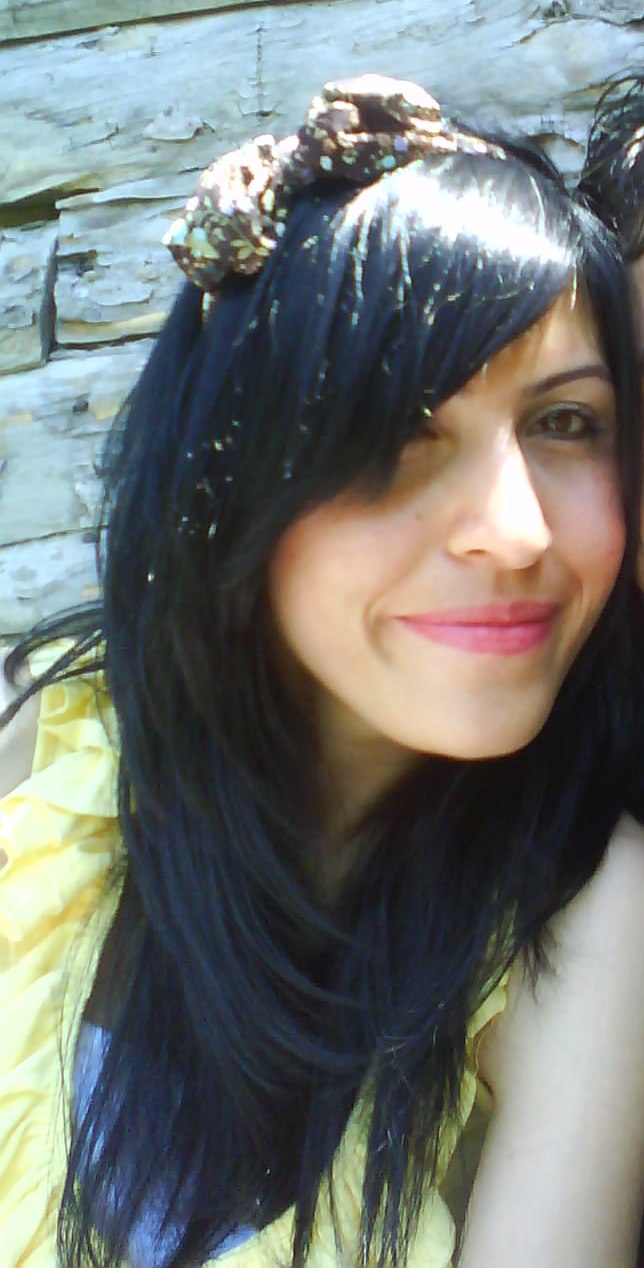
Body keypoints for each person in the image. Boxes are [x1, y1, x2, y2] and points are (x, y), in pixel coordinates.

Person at [1, 76, 643, 1268]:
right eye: (402, 429)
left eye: (564, 423)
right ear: (231, 467)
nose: (514, 533)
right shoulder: (50, 758)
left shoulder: (585, 924)